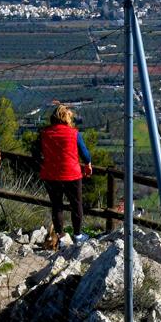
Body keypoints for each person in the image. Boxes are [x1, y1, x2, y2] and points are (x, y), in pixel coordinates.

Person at [36, 103, 92, 248]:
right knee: (76, 204)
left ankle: (60, 236)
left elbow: (36, 153)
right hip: (72, 174)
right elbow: (85, 154)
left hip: (51, 174)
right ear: (66, 118)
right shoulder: (74, 133)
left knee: (57, 206)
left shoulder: (44, 133)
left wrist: (43, 164)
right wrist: (88, 164)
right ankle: (78, 235)